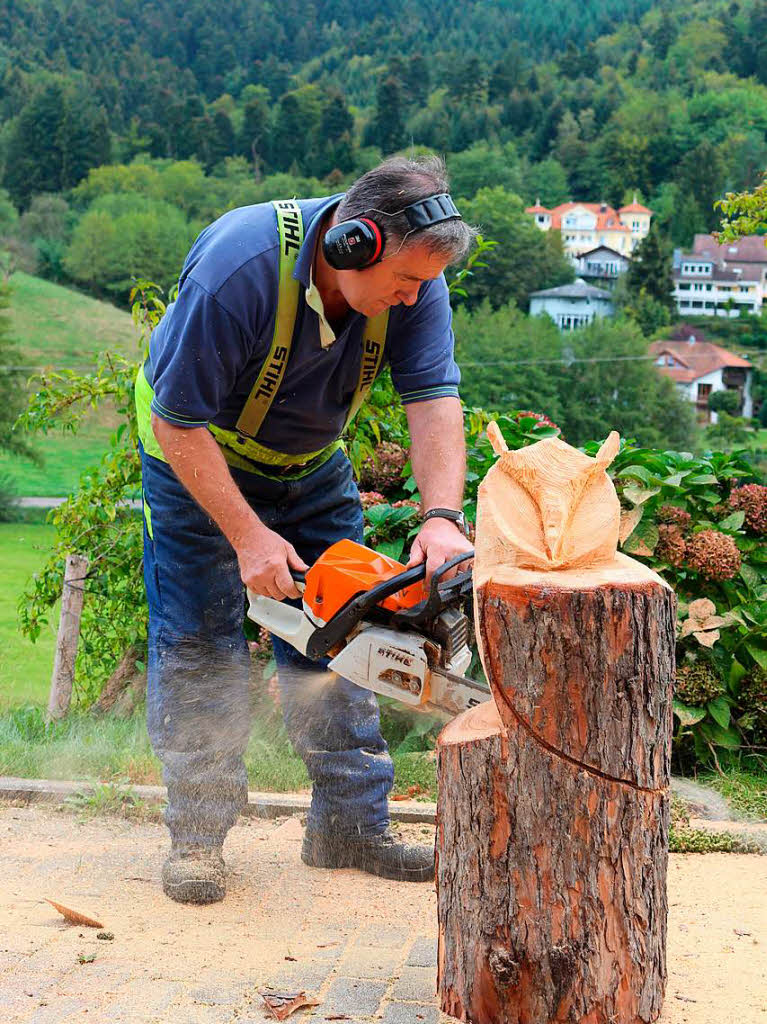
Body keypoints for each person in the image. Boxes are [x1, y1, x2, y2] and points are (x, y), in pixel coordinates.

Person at [135, 155, 476, 904]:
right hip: (196, 458)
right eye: (406, 282)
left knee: (345, 633)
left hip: (309, 462)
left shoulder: (415, 277)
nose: (415, 297)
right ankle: (197, 834)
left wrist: (441, 519)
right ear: (353, 243)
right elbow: (175, 419)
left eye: (425, 284)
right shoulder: (240, 266)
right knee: (200, 640)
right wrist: (248, 537)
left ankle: (348, 827)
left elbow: (433, 397)